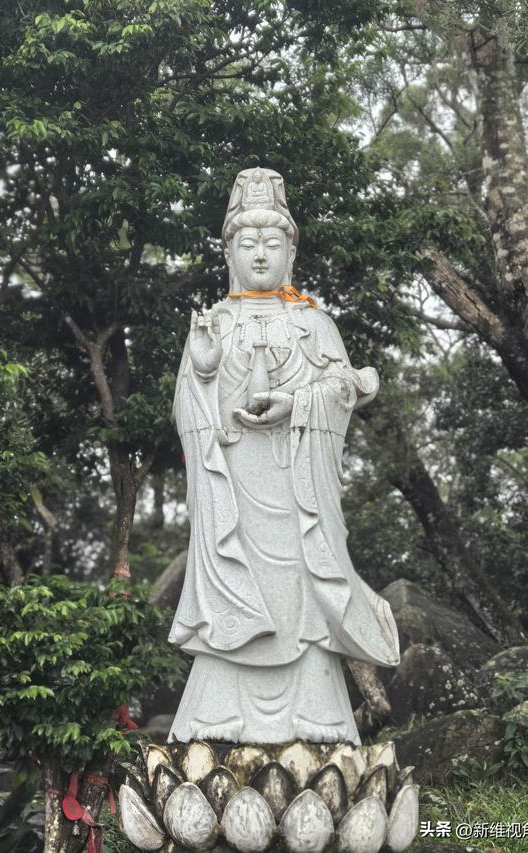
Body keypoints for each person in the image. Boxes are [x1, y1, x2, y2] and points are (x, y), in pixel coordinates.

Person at [168, 168, 399, 744]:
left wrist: (297, 403)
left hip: (297, 488)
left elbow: (343, 390)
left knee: (303, 582)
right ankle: (216, 714)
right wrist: (200, 367)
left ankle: (318, 714)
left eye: (273, 243)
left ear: (291, 251)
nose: (261, 255)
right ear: (227, 251)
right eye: (248, 244)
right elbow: (186, 411)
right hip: (235, 484)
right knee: (233, 577)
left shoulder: (313, 322)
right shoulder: (213, 322)